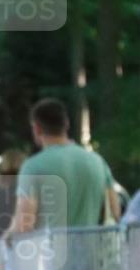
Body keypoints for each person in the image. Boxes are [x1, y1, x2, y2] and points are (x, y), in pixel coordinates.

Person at [7, 98, 120, 234]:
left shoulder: (33, 167)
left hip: (52, 252)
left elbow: (24, 224)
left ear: (36, 128)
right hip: (92, 251)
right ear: (66, 124)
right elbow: (115, 211)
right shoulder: (98, 161)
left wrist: (5, 239)